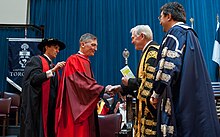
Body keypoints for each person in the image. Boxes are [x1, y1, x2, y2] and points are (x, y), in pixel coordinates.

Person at [150, 2, 220, 137]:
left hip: (179, 100)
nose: (160, 22)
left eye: (161, 17)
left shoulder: (174, 34)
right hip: (193, 97)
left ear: (168, 16)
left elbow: (167, 70)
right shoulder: (190, 34)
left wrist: (156, 93)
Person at [55, 33, 113, 137]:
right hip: (75, 109)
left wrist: (100, 90)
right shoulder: (73, 60)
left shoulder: (86, 61)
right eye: (93, 45)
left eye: (96, 46)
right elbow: (80, 84)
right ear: (82, 44)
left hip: (85, 107)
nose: (95, 49)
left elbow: (87, 84)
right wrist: (102, 89)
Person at [118, 25, 160, 136]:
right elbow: (141, 82)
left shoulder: (153, 53)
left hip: (151, 112)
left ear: (142, 36)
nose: (132, 42)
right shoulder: (147, 52)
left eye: (133, 38)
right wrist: (121, 88)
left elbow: (149, 85)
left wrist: (130, 82)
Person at [20, 38, 66, 137]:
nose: (58, 51)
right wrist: (53, 71)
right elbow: (34, 80)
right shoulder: (36, 60)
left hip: (51, 109)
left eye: (58, 49)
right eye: (55, 47)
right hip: (39, 108)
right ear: (46, 47)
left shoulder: (52, 65)